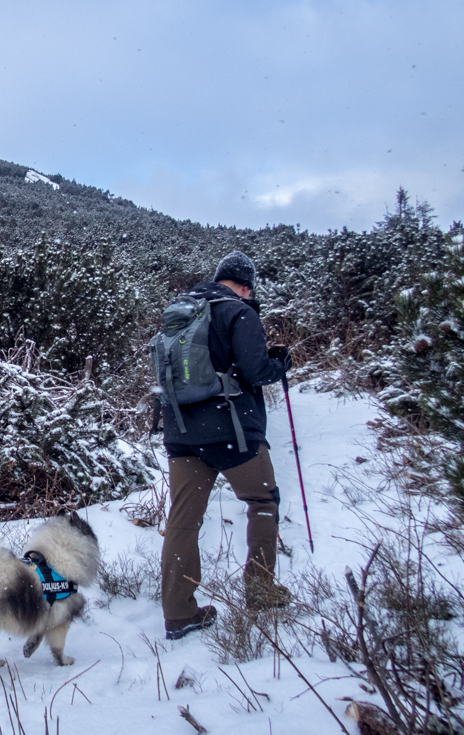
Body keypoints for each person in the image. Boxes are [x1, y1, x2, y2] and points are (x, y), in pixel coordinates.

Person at [159, 250, 293, 640]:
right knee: (262, 502)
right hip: (232, 432)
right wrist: (280, 363)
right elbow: (255, 370)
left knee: (184, 519)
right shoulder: (239, 312)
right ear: (246, 285)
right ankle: (260, 590)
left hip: (181, 432)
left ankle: (178, 614)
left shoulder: (180, 311)